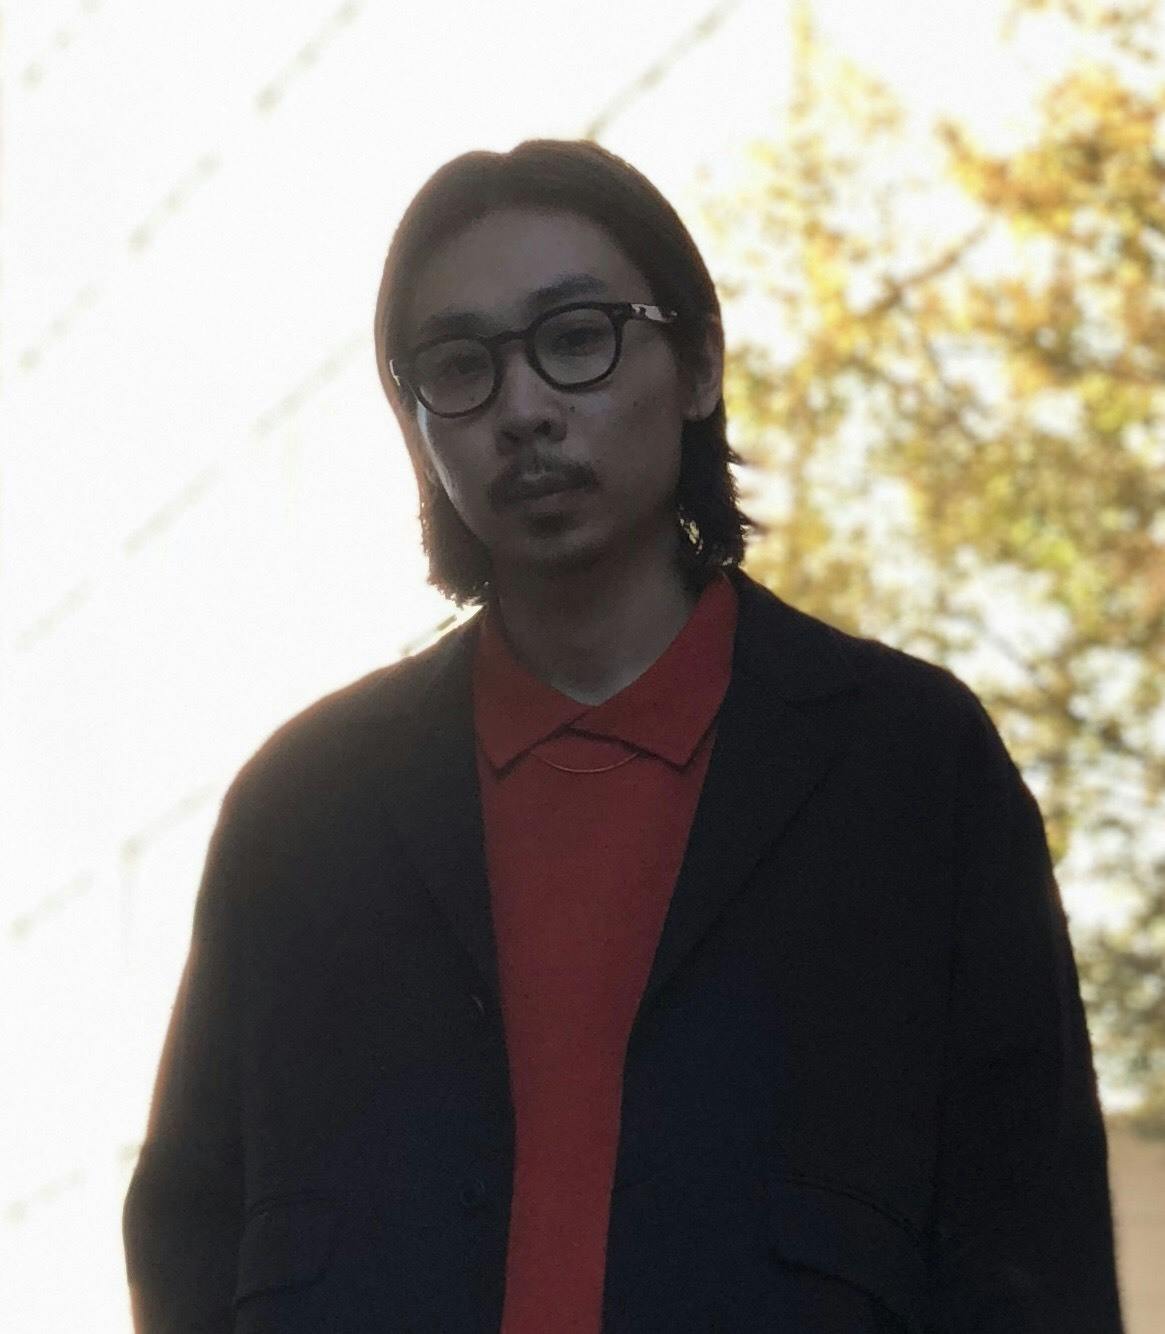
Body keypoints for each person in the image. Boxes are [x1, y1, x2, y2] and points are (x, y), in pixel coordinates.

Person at [122, 139, 1125, 1333]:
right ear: (416, 422)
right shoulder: (303, 811)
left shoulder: (908, 769)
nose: (524, 410)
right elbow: (187, 1238)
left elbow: (1034, 1244)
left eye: (577, 337)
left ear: (698, 363)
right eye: (460, 366)